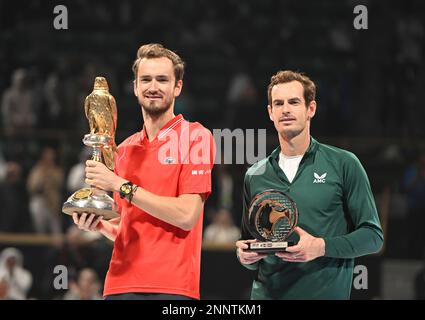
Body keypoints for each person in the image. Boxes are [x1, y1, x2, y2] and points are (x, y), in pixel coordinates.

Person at [72, 43, 214, 300]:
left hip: (172, 288)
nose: (153, 87)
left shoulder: (196, 137)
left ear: (177, 87)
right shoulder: (123, 149)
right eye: (146, 79)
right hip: (119, 285)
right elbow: (126, 227)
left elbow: (186, 215)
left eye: (162, 79)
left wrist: (120, 184)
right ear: (135, 87)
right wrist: (100, 225)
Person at [235, 70, 384, 299]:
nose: (285, 109)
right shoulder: (255, 174)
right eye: (278, 103)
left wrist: (321, 247)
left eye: (294, 102)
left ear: (310, 109)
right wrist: (246, 257)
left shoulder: (344, 164)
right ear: (270, 113)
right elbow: (252, 244)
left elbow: (373, 237)